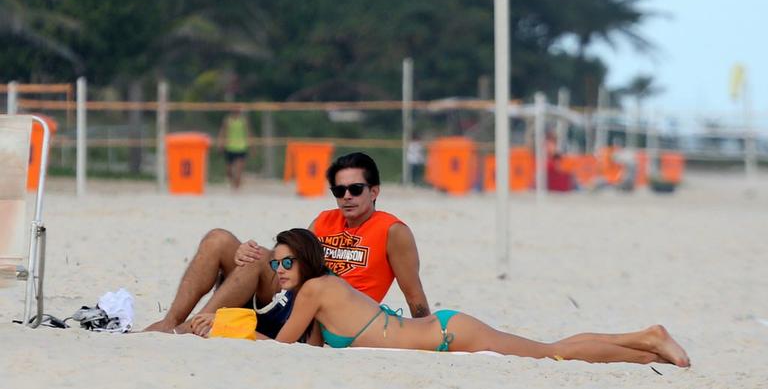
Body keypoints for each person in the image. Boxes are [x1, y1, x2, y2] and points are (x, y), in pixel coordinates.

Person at [206, 228, 689, 367]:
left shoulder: (314, 289)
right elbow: (311, 349)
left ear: (307, 262)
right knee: (550, 350)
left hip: (447, 333)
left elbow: (280, 349)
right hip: (440, 334)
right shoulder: (322, 294)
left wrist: (221, 327)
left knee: (551, 351)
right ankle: (644, 351)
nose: (279, 271)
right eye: (275, 264)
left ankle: (646, 335)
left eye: (286, 262)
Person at [145, 152, 430, 335]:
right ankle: (171, 322)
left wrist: (425, 331)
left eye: (355, 189)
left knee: (258, 261)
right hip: (289, 295)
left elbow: (413, 294)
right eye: (339, 190)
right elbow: (289, 256)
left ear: (375, 191)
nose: (346, 197)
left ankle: (192, 327)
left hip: (326, 317)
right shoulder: (323, 220)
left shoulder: (393, 231)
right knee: (219, 239)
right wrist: (247, 251)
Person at [217, 107, 250, 190]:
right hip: (229, 147)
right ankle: (233, 184)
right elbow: (223, 132)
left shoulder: (243, 121)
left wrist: (252, 145)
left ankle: (237, 188)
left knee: (239, 169)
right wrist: (220, 143)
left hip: (241, 147)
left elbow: (248, 132)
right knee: (229, 171)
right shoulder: (227, 121)